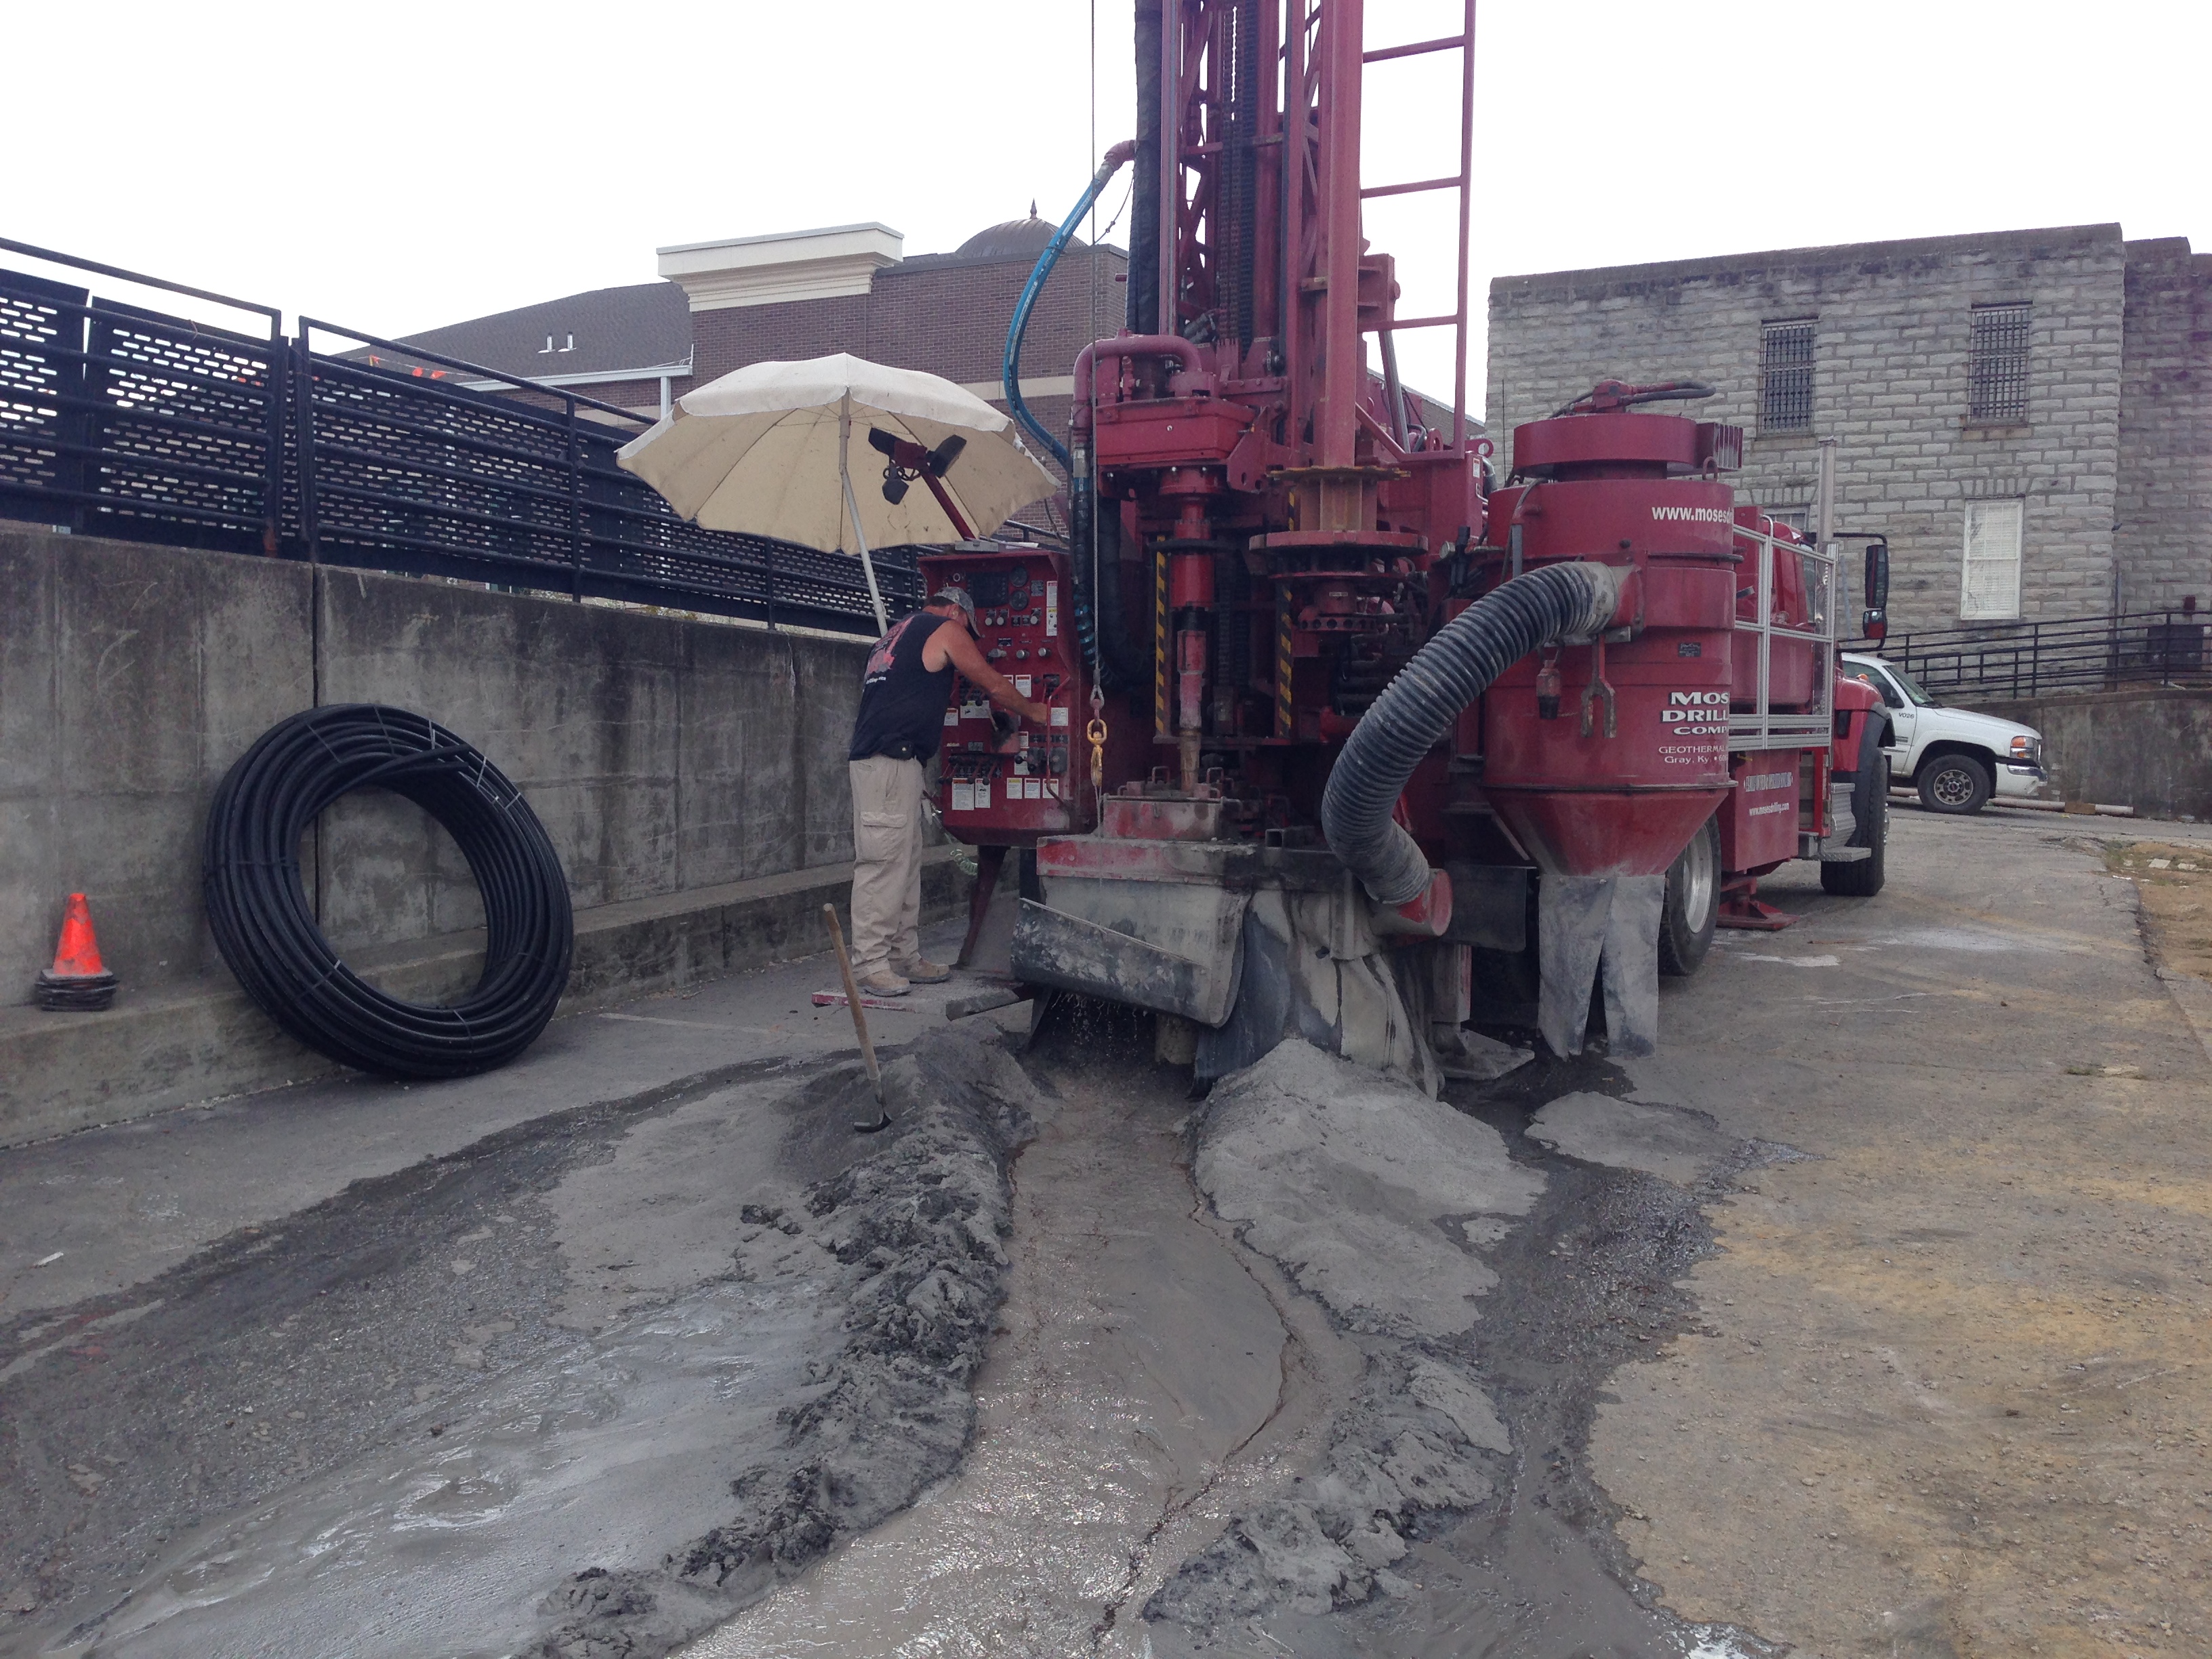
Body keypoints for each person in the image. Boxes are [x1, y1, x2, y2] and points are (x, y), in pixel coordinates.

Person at [846, 586, 1047, 996]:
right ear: (958, 612)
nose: (968, 641)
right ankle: (870, 964)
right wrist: (1037, 712)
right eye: (971, 632)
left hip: (897, 763)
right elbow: (991, 683)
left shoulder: (896, 633)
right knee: (883, 863)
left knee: (904, 859)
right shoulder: (944, 627)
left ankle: (904, 954)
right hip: (888, 763)